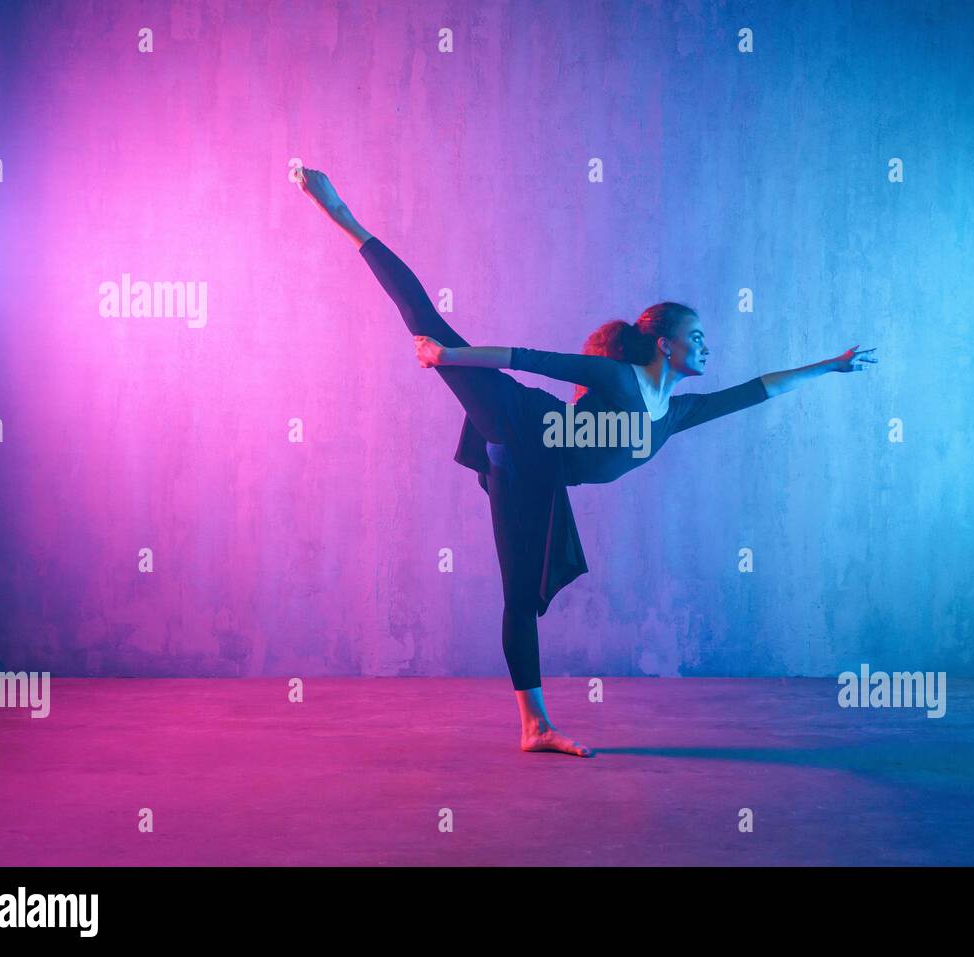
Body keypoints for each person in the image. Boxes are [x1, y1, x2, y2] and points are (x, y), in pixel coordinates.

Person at [297, 167, 877, 757]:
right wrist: (450, 356)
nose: (707, 345)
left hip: (534, 477)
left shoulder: (673, 414)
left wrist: (829, 366)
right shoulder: (616, 377)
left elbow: (757, 389)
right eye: (697, 335)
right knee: (427, 321)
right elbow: (525, 358)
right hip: (518, 421)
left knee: (521, 599)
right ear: (664, 345)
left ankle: (534, 727)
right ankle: (341, 214)